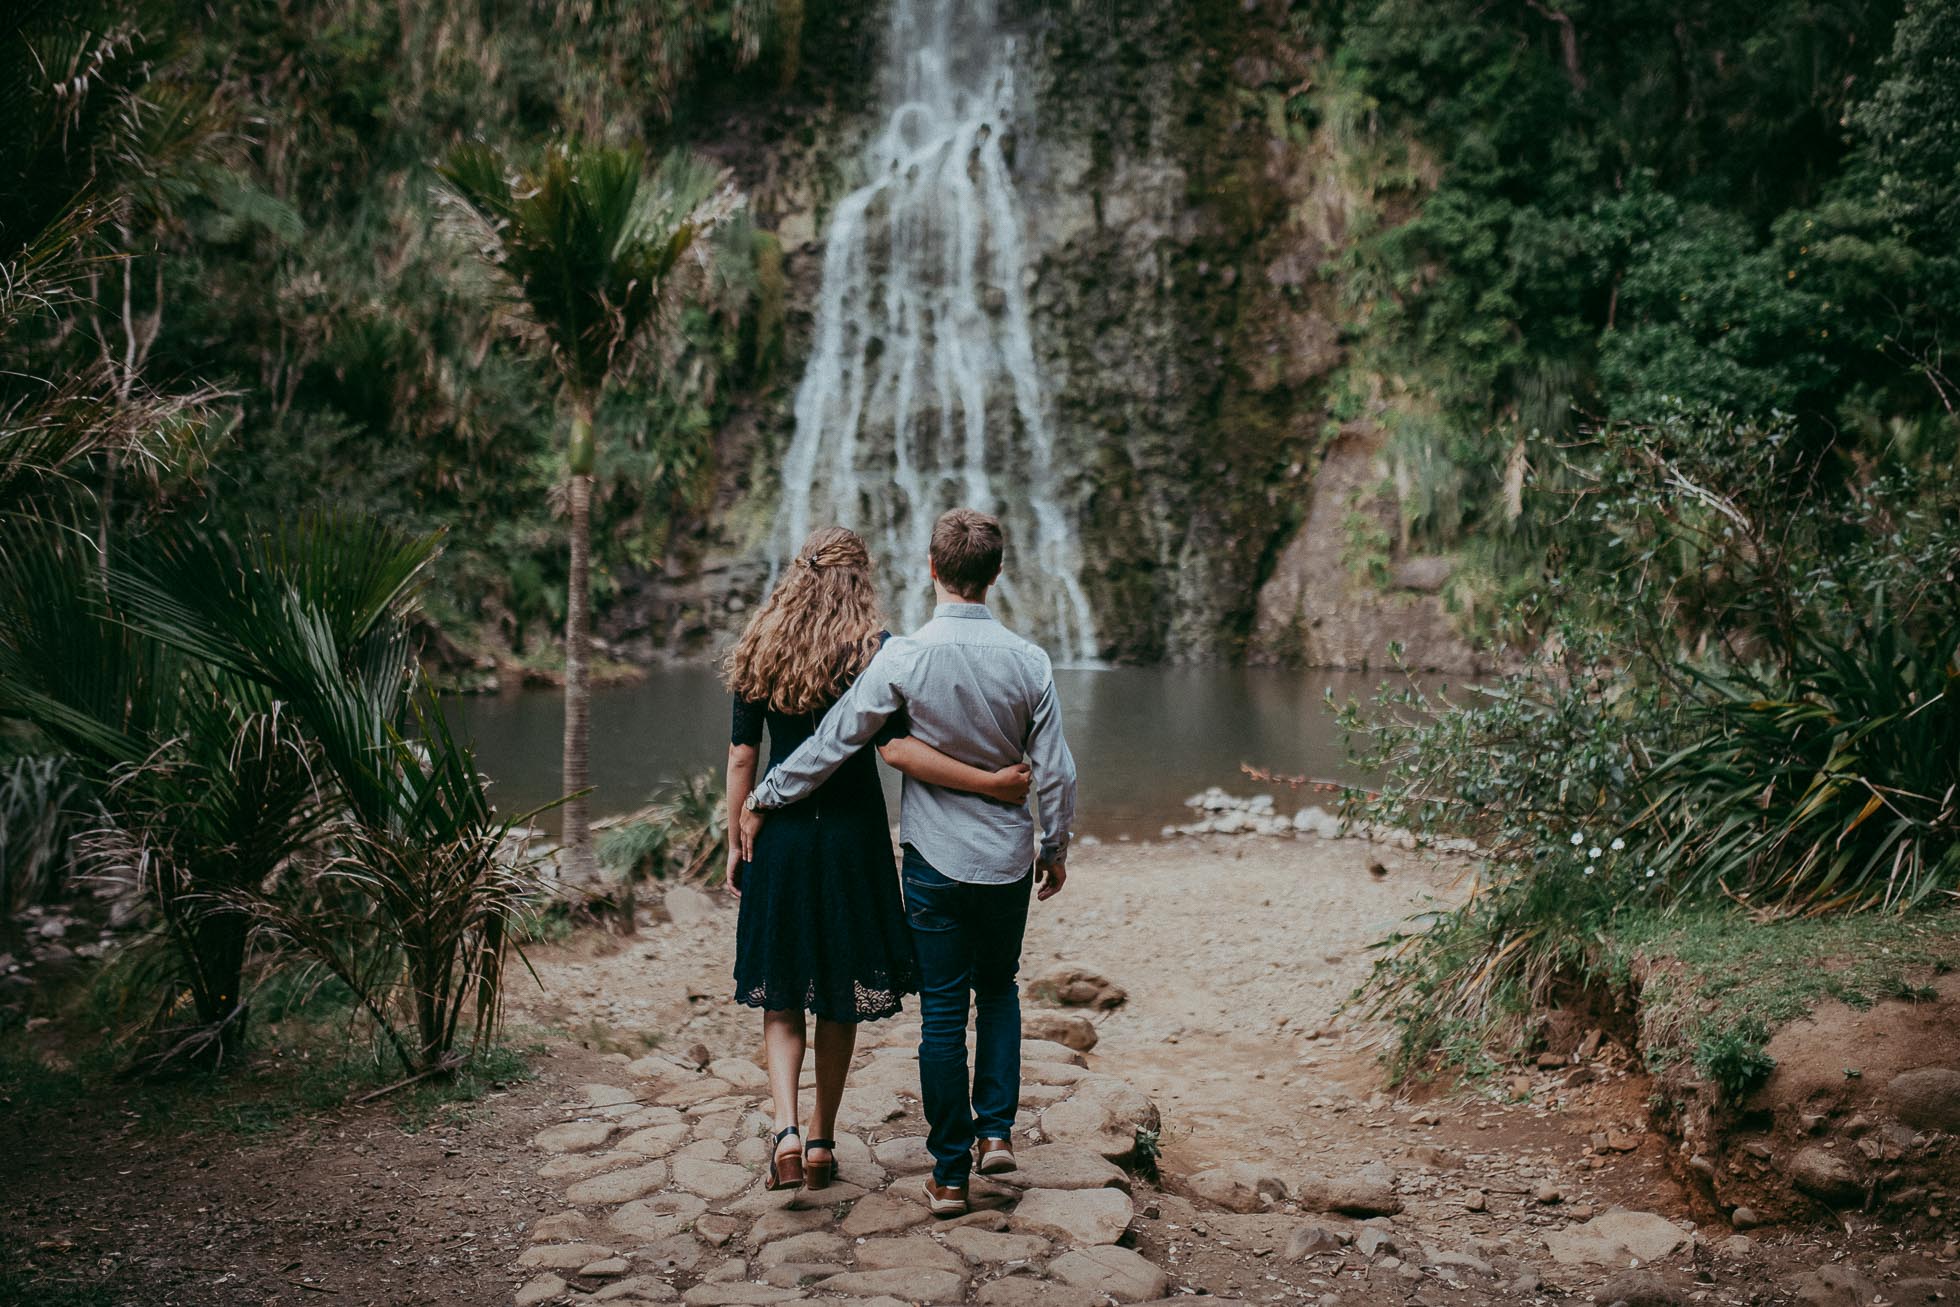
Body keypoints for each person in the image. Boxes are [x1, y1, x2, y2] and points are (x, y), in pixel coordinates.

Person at [737, 508, 1078, 1216]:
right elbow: (1059, 774)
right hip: (1000, 858)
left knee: (943, 1013)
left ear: (931, 569)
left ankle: (947, 1174)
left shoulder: (901, 656)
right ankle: (994, 1133)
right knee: (1001, 988)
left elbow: (832, 742)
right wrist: (1054, 847)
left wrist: (764, 798)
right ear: (999, 572)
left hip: (930, 858)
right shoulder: (1029, 659)